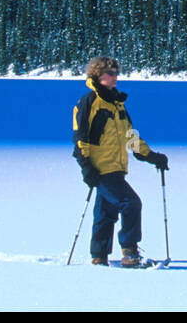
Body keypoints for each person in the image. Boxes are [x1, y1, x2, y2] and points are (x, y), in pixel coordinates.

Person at [71, 56, 169, 266]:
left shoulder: (118, 106)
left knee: (105, 213)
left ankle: (99, 256)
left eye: (116, 73)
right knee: (130, 203)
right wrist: (86, 168)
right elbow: (81, 138)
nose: (115, 77)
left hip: (116, 169)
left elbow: (130, 137)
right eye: (110, 73)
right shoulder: (89, 102)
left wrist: (153, 157)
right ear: (97, 75)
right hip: (101, 170)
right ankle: (129, 252)